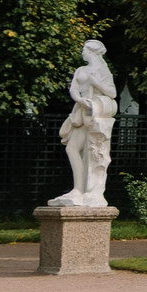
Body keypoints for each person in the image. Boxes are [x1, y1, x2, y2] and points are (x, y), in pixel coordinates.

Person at [54, 41, 119, 206]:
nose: (82, 52)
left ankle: (89, 191)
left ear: (92, 52)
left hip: (95, 112)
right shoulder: (80, 70)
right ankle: (78, 189)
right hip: (81, 111)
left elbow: (112, 93)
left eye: (84, 49)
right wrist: (80, 99)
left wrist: (95, 82)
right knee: (72, 148)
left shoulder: (103, 72)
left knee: (90, 152)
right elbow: (73, 89)